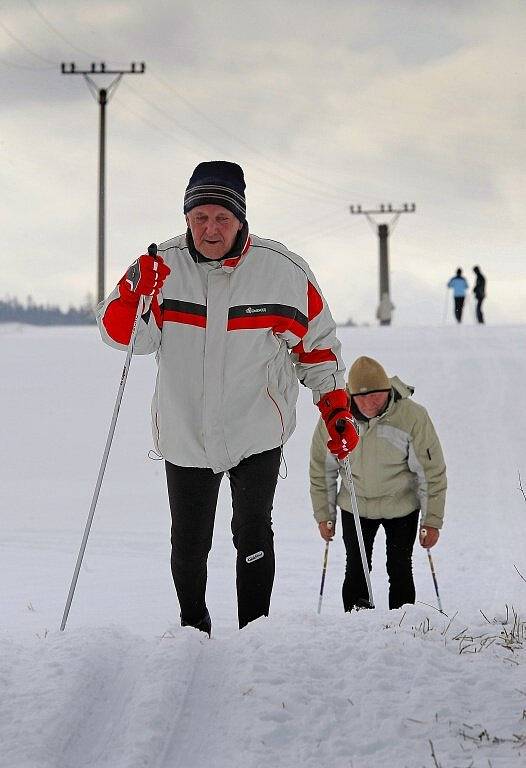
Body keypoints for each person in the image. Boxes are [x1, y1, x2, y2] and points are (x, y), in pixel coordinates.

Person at [96, 160, 359, 634]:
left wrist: (335, 405)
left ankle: (253, 632)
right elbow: (126, 338)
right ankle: (193, 626)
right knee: (189, 544)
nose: (210, 229)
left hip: (256, 427)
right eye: (200, 218)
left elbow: (317, 348)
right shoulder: (160, 267)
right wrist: (134, 291)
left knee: (253, 530)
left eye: (222, 218)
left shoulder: (283, 273)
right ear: (187, 219)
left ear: (241, 220)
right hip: (184, 430)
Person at [309, 356, 446, 611]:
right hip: (356, 506)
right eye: (364, 396)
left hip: (401, 506)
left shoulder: (412, 416)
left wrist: (431, 521)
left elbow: (431, 472)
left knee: (400, 565)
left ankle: (402, 624)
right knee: (357, 566)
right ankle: (357, 623)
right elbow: (321, 470)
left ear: (388, 390)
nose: (372, 402)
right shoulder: (336, 420)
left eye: (379, 395)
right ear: (350, 395)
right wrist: (324, 516)